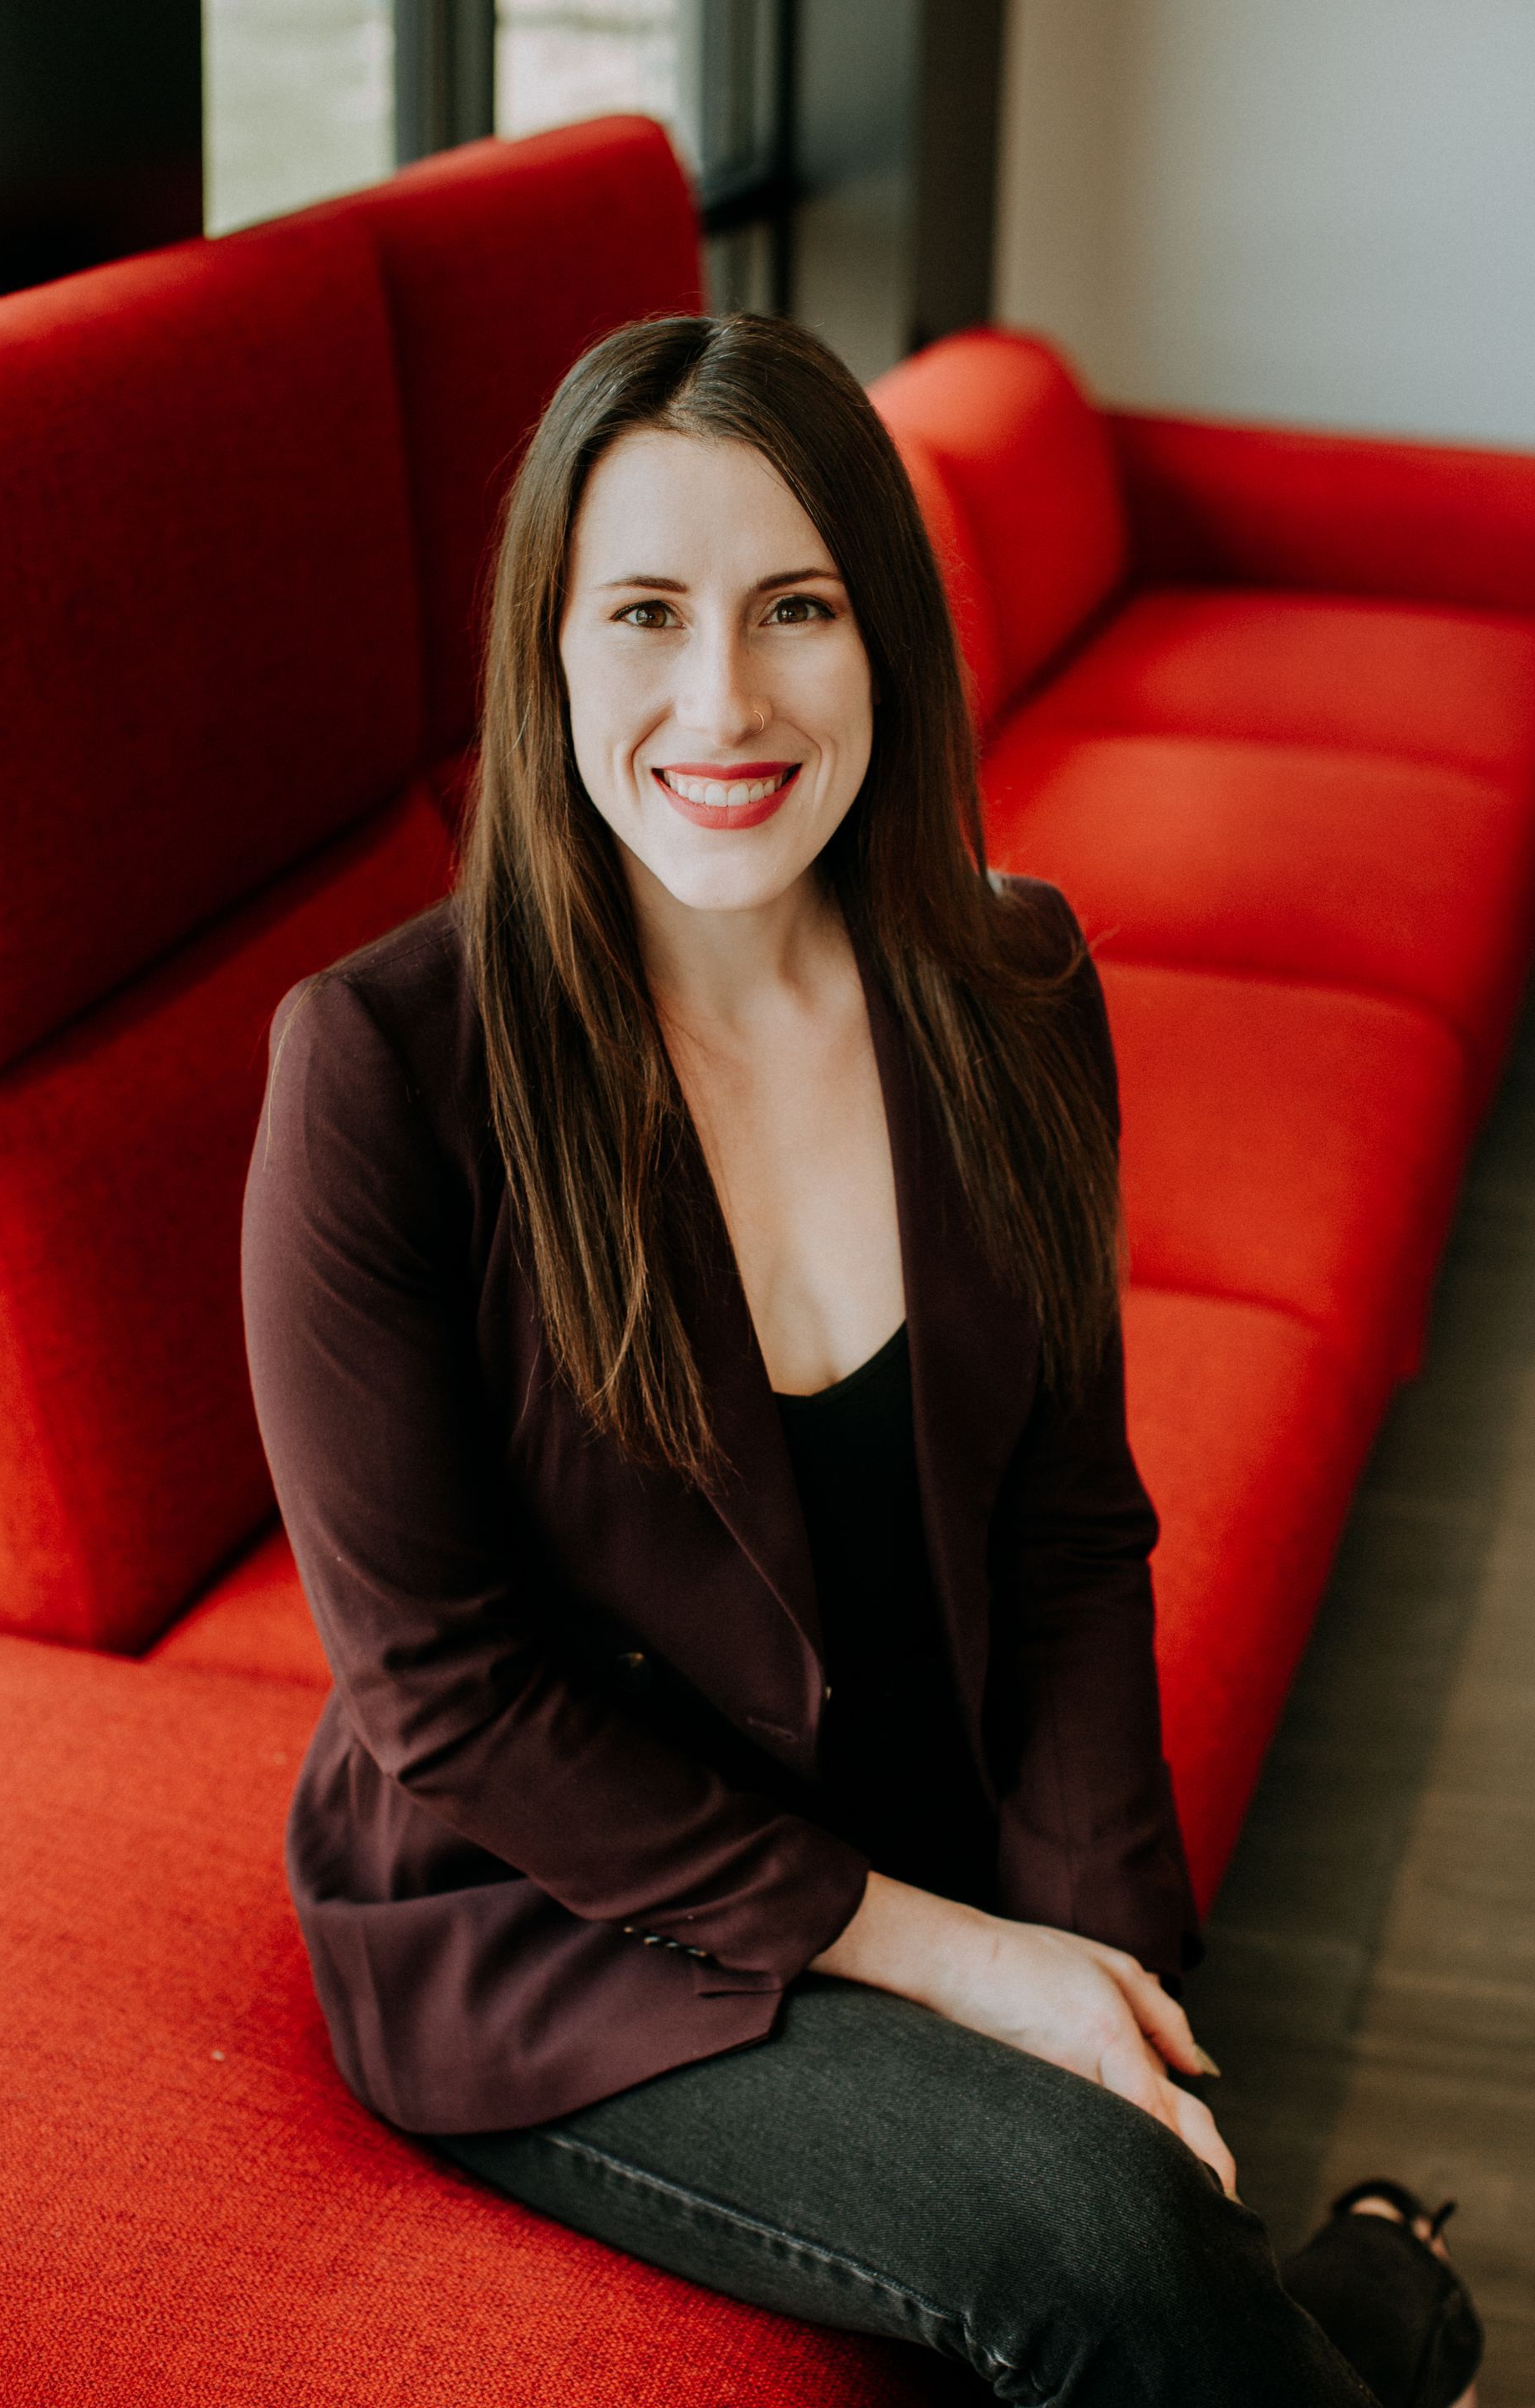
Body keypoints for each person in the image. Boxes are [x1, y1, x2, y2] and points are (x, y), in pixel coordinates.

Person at [242, 312, 1482, 2407]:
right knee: (1097, 2239)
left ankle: (1359, 2318)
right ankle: (1375, 2321)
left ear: (887, 640)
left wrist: (1113, 1970)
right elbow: (445, 1697)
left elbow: (1073, 1523)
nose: (720, 699)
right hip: (555, 1923)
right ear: (548, 655)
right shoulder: (377, 1071)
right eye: (643, 612)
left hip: (910, 1799)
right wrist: (964, 1959)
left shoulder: (1015, 981)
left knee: (1133, 2187)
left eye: (795, 607)